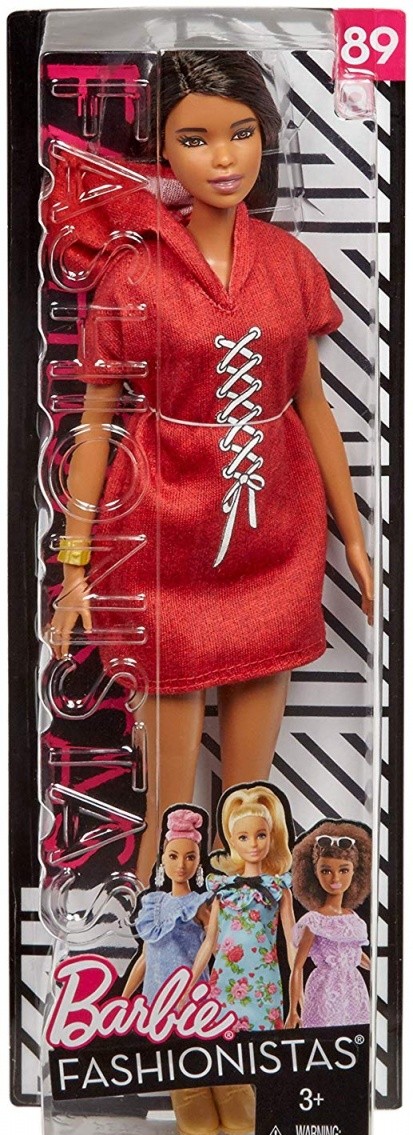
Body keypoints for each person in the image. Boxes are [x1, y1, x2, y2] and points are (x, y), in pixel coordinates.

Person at [46, 50, 374, 884]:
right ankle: (156, 932)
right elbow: (94, 429)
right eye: (195, 139)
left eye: (242, 133)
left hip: (274, 534)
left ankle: (248, 931)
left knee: (250, 804)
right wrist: (73, 565)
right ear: (162, 148)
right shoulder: (136, 273)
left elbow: (312, 406)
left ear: (266, 137)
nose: (224, 158)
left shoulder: (287, 262)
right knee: (168, 801)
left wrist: (355, 539)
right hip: (165, 534)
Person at [122, 804, 255, 1135]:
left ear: (198, 862)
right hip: (159, 995)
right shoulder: (153, 905)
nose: (181, 865)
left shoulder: (199, 903)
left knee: (209, 1040)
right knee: (175, 1048)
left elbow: (216, 945)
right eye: (173, 856)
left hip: (193, 991)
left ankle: (230, 1087)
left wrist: (204, 979)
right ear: (163, 861)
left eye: (190, 857)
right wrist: (124, 997)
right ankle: (188, 1092)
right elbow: (145, 956)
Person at [185, 783, 295, 1030]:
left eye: (261, 835)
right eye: (244, 837)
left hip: (264, 982)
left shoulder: (277, 888)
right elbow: (209, 942)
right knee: (224, 1040)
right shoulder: (224, 889)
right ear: (233, 842)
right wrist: (187, 989)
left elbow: (292, 943)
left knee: (266, 1041)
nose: (253, 844)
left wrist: (298, 992)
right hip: (225, 980)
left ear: (271, 837)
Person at [285, 821, 371, 1028]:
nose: (335, 878)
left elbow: (356, 954)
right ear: (314, 873)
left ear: (355, 872)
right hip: (324, 990)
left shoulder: (354, 919)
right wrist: (293, 1011)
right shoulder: (314, 921)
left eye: (344, 870)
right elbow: (297, 967)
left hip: (354, 990)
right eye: (326, 871)